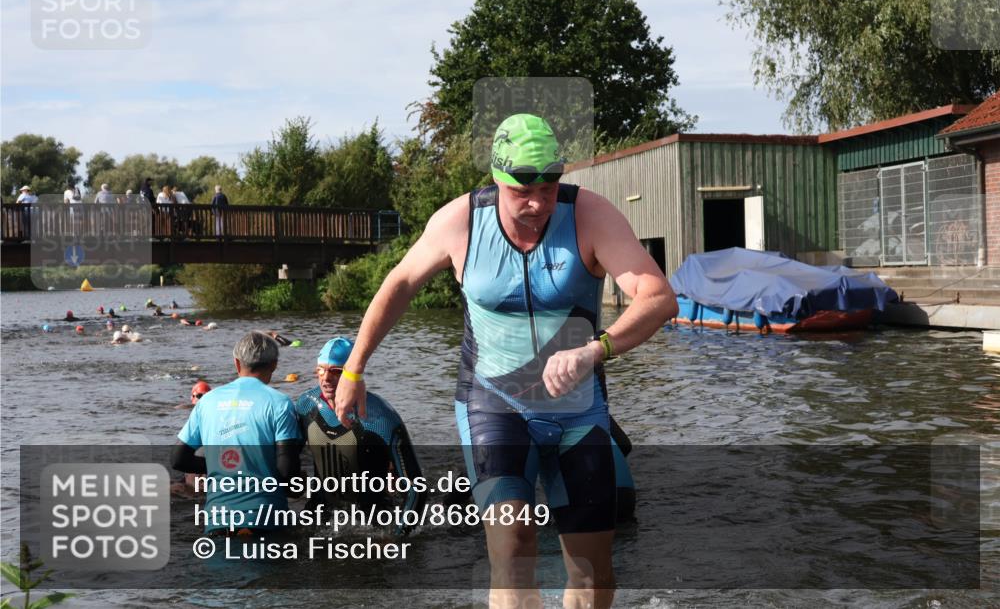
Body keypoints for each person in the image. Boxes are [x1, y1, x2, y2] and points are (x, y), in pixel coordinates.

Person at [332, 113, 677, 608]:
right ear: (497, 179)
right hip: (493, 403)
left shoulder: (590, 216)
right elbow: (401, 284)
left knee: (591, 566)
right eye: (522, 190)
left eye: (549, 187)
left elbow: (658, 297)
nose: (537, 203)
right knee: (512, 544)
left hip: (578, 410)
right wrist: (353, 370)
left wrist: (594, 349)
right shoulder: (461, 221)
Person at [171, 331, 300, 534]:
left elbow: (178, 459)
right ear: (274, 365)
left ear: (236, 363)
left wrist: (219, 465)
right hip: (266, 519)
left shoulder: (207, 402)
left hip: (219, 520)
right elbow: (287, 472)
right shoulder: (280, 403)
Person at [295, 337, 426, 535]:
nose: (325, 378)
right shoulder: (306, 405)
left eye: (335, 371)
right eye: (320, 370)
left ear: (352, 374)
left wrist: (397, 536)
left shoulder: (381, 417)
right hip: (322, 518)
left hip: (373, 523)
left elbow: (417, 488)